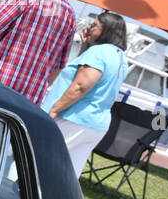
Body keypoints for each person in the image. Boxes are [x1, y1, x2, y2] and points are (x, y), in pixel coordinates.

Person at [41, 12, 129, 176]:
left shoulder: (98, 52)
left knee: (40, 161)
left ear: (107, 30)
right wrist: (85, 45)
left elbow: (81, 85)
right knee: (67, 174)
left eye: (94, 25)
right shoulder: (120, 57)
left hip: (73, 118)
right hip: (95, 124)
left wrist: (54, 110)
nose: (89, 27)